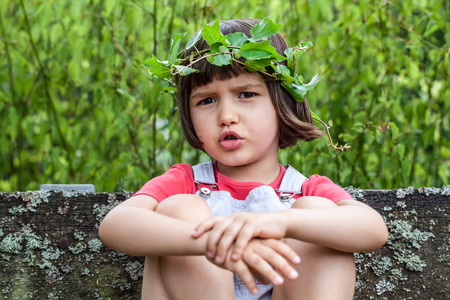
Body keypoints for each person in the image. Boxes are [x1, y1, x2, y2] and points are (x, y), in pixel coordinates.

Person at [99, 18, 388, 300]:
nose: (226, 116)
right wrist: (209, 241)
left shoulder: (305, 190)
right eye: (206, 100)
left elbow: (373, 229)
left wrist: (287, 223)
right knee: (179, 208)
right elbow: (116, 224)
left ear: (282, 102)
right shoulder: (185, 182)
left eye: (246, 94)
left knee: (319, 212)